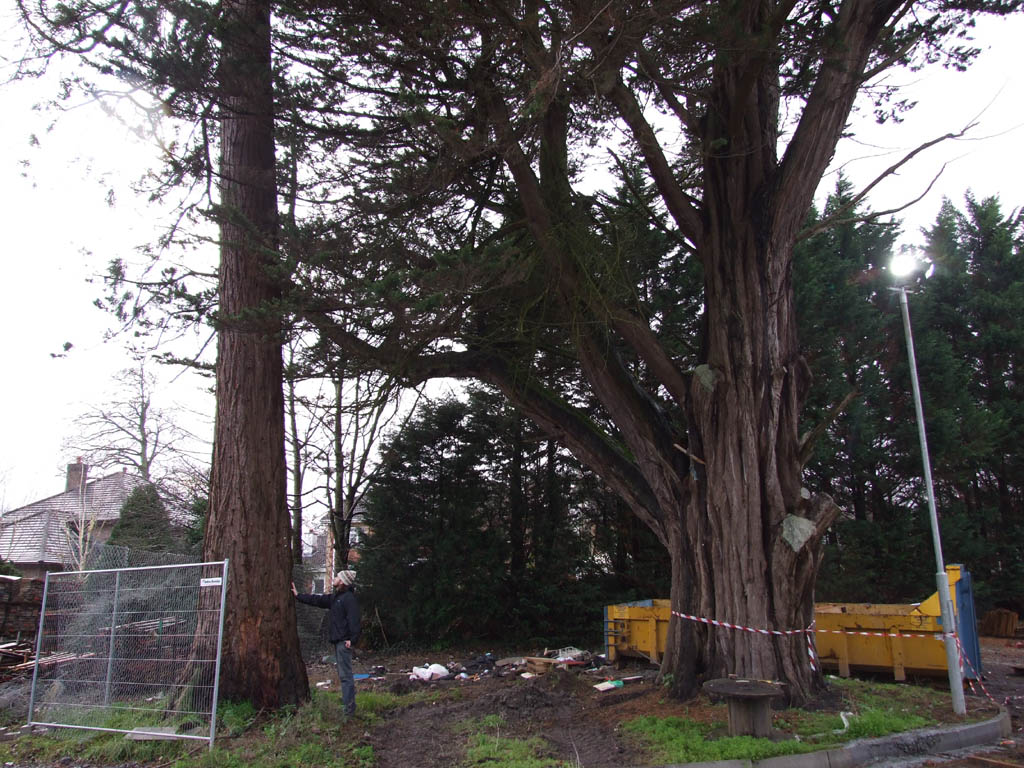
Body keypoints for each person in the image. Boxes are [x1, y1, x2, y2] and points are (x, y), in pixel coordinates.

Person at [292, 570, 361, 716]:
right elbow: (318, 600)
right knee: (344, 675)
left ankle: (349, 711)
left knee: (345, 676)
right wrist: (299, 596)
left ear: (342, 582)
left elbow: (354, 620)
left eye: (337, 577)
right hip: (339, 641)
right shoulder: (336, 598)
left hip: (344, 642)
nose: (335, 578)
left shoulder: (348, 599)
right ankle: (348, 708)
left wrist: (352, 639)